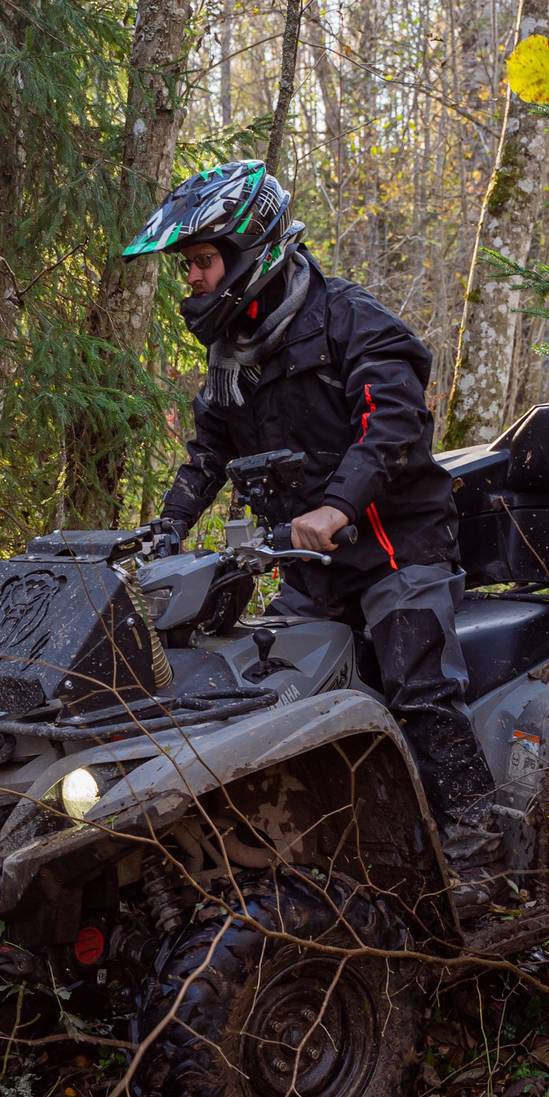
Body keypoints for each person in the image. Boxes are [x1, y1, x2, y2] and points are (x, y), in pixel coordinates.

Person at [123, 160, 503, 899]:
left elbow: (394, 423)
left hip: (398, 548)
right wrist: (163, 531)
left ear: (249, 249)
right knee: (266, 694)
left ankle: (478, 848)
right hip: (312, 567)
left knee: (417, 686)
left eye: (201, 261)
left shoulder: (350, 318)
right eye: (189, 266)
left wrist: (338, 506)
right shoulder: (231, 353)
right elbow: (209, 453)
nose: (192, 279)